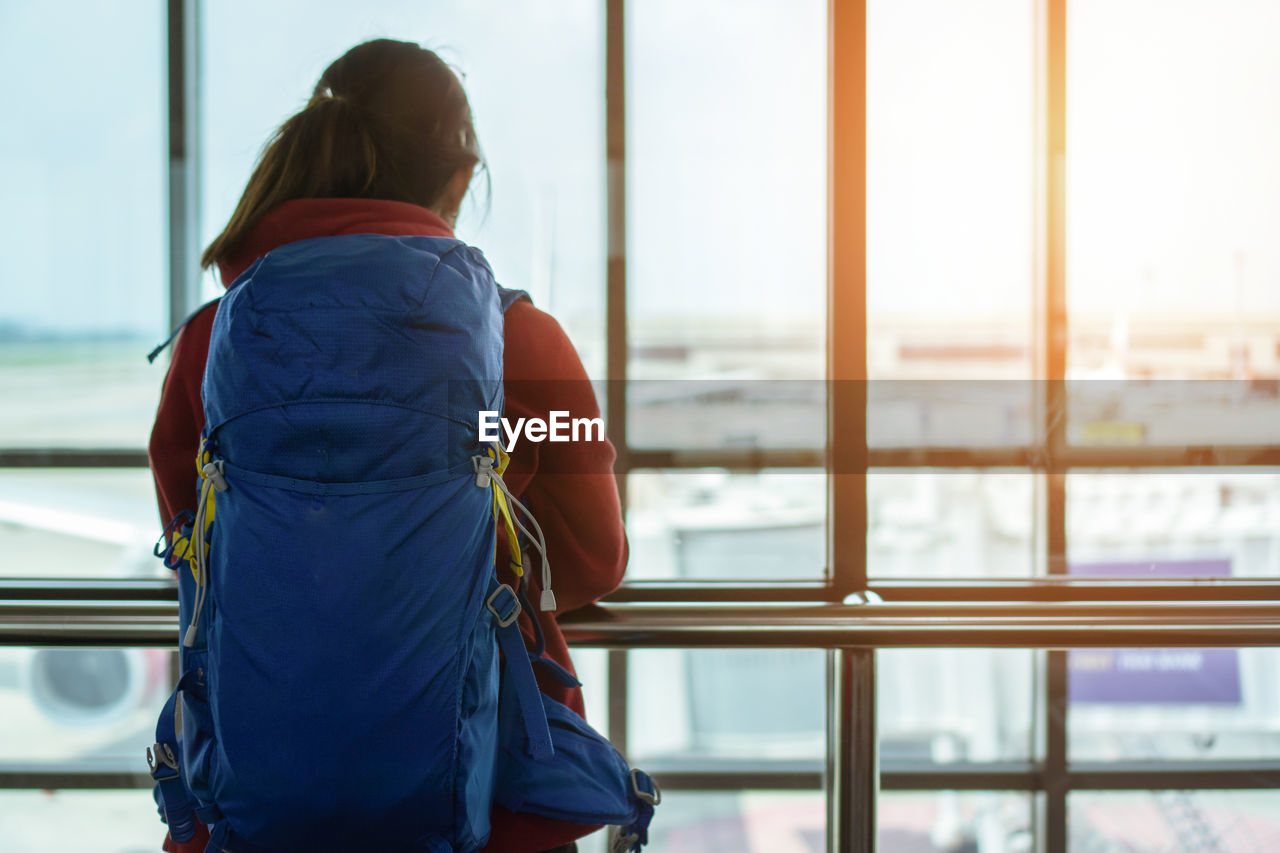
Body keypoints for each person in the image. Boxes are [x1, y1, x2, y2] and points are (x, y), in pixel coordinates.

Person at [148, 38, 627, 853]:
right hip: (491, 811)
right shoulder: (525, 341)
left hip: (256, 812)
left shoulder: (209, 343)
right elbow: (594, 557)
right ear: (461, 176)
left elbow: (197, 550)